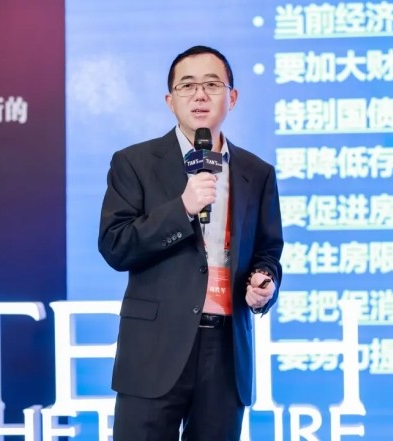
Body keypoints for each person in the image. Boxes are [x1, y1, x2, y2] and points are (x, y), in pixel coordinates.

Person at [98, 45, 283, 441]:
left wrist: (264, 282)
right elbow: (116, 245)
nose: (200, 95)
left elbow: (268, 250)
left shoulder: (257, 172)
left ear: (233, 97)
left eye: (212, 84)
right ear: (170, 100)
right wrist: (182, 208)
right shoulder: (134, 163)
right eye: (187, 85)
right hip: (154, 350)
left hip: (226, 351)